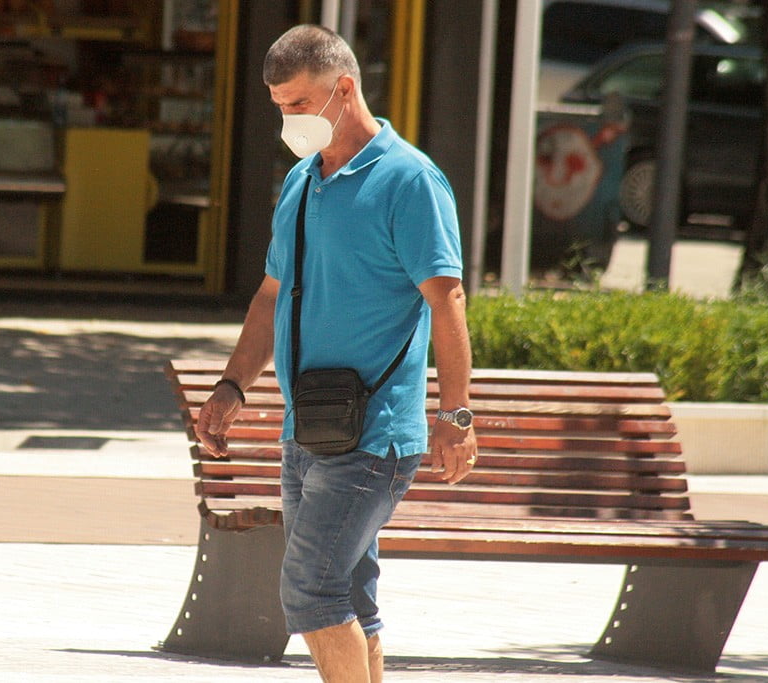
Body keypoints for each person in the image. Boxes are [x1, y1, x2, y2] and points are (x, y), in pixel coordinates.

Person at [194, 24, 477, 683]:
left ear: (344, 89)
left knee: (309, 590)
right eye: (279, 106)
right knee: (348, 593)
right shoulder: (302, 182)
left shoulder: (410, 180)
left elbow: (448, 300)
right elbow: (271, 295)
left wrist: (456, 414)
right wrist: (232, 385)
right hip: (308, 429)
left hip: (374, 434)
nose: (288, 120)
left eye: (299, 103)